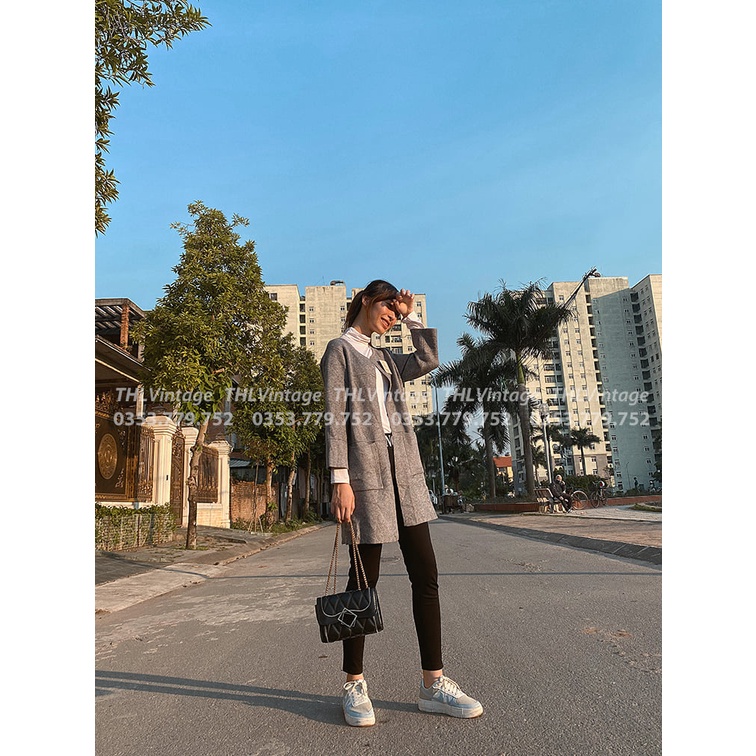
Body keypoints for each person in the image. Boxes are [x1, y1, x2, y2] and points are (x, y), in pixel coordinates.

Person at [320, 279, 483, 727]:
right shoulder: (339, 351)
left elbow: (428, 360)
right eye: (387, 309)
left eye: (396, 314)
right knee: (363, 579)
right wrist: (340, 479)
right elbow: (335, 418)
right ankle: (354, 683)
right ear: (365, 301)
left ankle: (433, 683)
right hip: (366, 474)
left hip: (405, 473)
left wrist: (413, 318)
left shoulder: (384, 357)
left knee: (425, 575)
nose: (391, 317)